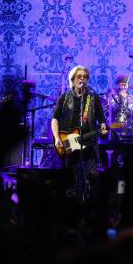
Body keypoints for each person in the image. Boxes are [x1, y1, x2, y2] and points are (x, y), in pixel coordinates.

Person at [52, 66, 107, 199]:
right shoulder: (64, 98)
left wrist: (104, 128)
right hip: (69, 144)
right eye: (79, 76)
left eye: (85, 77)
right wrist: (56, 138)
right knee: (71, 181)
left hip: (89, 143)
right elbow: (55, 119)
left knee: (92, 178)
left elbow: (101, 118)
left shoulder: (93, 97)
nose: (82, 79)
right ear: (73, 79)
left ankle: (90, 207)